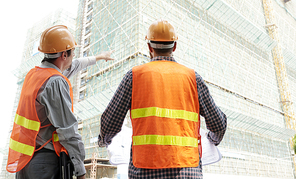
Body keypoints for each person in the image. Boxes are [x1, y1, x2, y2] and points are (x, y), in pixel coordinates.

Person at [98, 19, 227, 178]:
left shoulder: (134, 76)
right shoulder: (193, 78)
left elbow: (109, 121)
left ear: (149, 47)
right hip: (187, 170)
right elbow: (218, 123)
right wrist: (212, 140)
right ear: (174, 46)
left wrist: (104, 141)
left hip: (144, 170)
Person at [6, 25, 114, 179]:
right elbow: (68, 130)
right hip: (45, 163)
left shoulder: (35, 75)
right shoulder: (55, 82)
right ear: (64, 55)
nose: (73, 57)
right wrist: (80, 169)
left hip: (27, 161)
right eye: (72, 53)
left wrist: (99, 57)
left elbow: (74, 65)